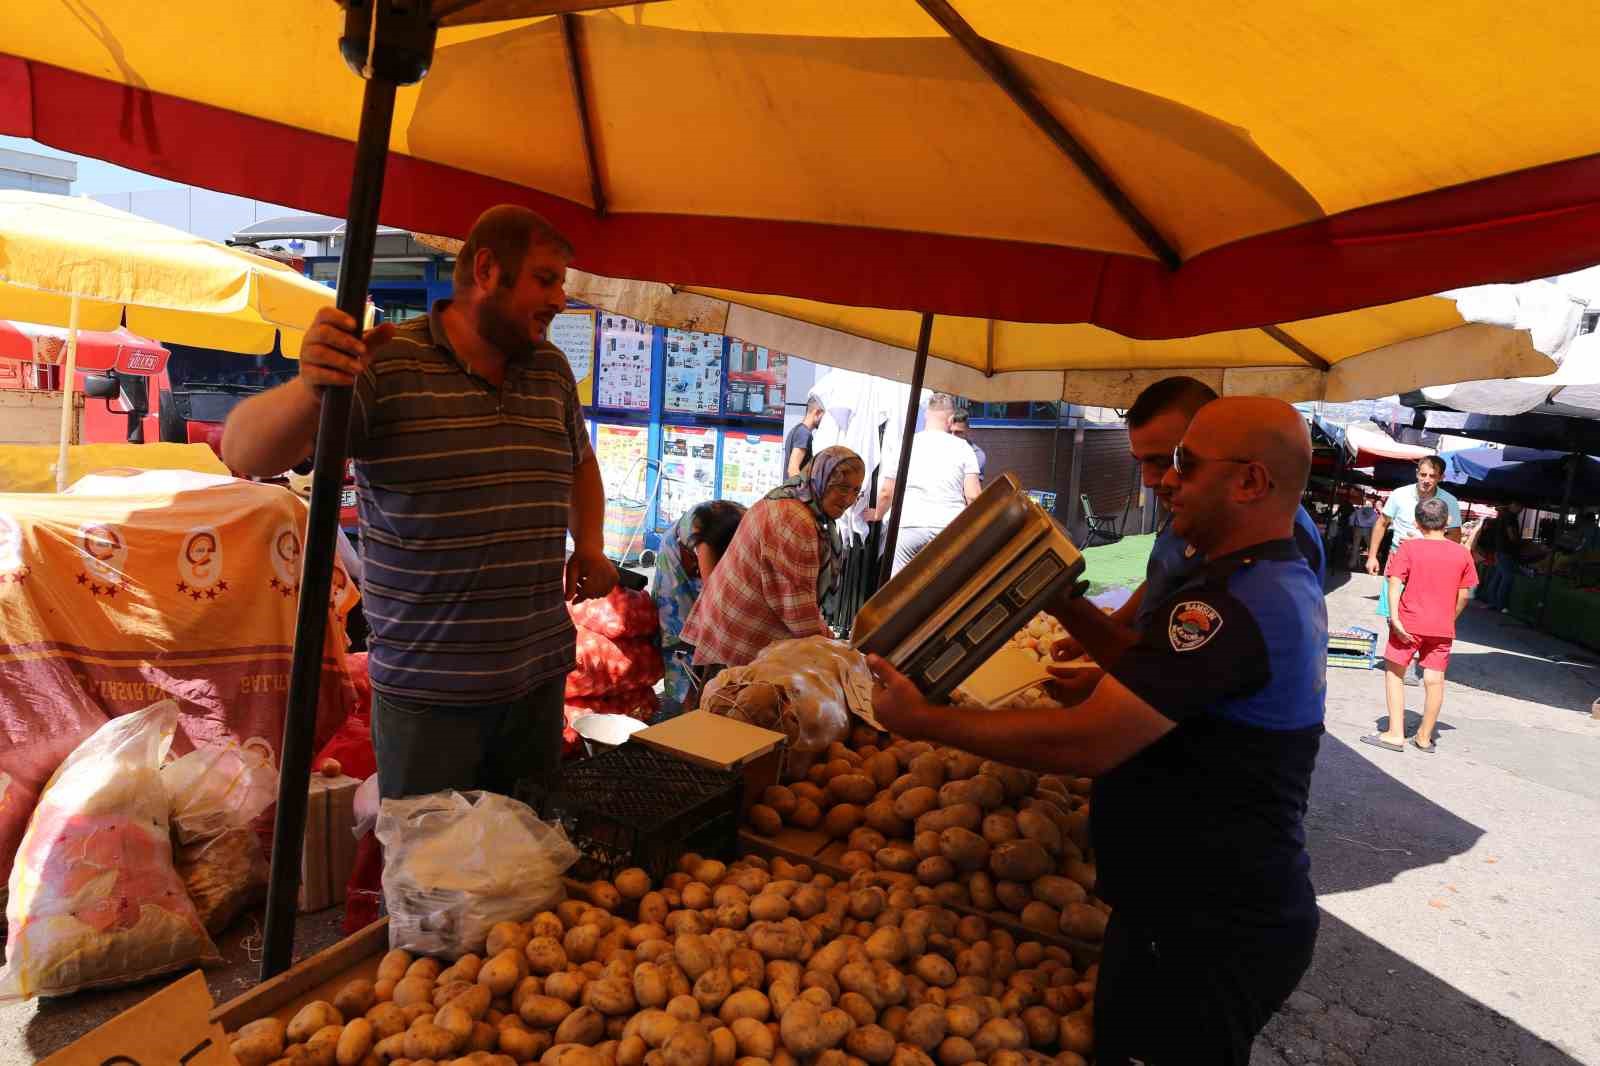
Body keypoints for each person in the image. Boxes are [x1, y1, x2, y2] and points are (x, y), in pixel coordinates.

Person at [869, 396, 1325, 1066]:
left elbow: (1085, 744)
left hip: (1209, 928)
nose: (1166, 481)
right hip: (1189, 913)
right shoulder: (1255, 580)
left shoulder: (1231, 607)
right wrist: (1063, 601)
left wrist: (925, 720)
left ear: (1251, 482)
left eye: (1185, 465)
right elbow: (1163, 681)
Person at [222, 204, 617, 800]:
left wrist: (589, 543)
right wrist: (309, 384)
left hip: (536, 676)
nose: (560, 299)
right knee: (432, 878)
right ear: (487, 270)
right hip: (431, 698)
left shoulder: (551, 371)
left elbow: (579, 463)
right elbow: (247, 452)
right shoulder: (388, 364)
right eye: (546, 278)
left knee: (524, 866)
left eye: (561, 281)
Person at [1049, 376, 1325, 672]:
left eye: (1173, 461)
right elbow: (1166, 575)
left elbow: (1185, 671)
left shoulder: (1273, 544)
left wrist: (1068, 606)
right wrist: (1107, 626)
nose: (1152, 480)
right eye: (1140, 461)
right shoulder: (1197, 507)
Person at [682, 446, 865, 672]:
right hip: (740, 636)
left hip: (731, 624)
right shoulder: (796, 520)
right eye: (842, 487)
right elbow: (798, 611)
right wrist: (831, 647)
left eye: (856, 491)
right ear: (821, 479)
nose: (849, 498)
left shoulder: (794, 499)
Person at [1362, 498, 1477, 754]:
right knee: (1435, 680)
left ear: (1416, 522)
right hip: (1441, 627)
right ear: (1448, 522)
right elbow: (1465, 595)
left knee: (1395, 674)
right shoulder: (1462, 553)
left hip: (1408, 623)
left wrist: (1395, 618)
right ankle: (1424, 737)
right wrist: (1450, 618)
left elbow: (1394, 584)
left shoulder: (1408, 548)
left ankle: (1395, 733)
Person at [654, 499, 746, 717]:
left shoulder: (747, 525)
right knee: (679, 635)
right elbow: (713, 593)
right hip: (676, 562)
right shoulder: (706, 539)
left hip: (708, 549)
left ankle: (710, 696)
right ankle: (687, 708)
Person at [875, 393, 981, 574]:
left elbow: (887, 491)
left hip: (909, 526)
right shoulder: (964, 448)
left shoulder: (906, 444)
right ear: (951, 419)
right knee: (944, 589)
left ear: (926, 416)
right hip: (948, 527)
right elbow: (973, 495)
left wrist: (877, 514)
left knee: (898, 591)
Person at [1366, 455, 1460, 613]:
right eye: (1423, 475)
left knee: (1418, 613)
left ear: (1441, 477)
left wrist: (1425, 542)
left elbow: (1455, 537)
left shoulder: (1449, 501)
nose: (1427, 480)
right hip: (1398, 557)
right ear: (1417, 473)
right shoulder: (1399, 494)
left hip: (1429, 564)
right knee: (1391, 612)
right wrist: (1372, 556)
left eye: (1432, 476)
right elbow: (1381, 523)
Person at [1479, 502, 1524, 612]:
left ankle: (1492, 602)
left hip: (1500, 550)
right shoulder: (1510, 517)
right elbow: (1511, 535)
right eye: (1520, 506)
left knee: (1498, 576)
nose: (1521, 509)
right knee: (1507, 577)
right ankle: (1501, 604)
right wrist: (1518, 542)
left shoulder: (1503, 516)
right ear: (1513, 505)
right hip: (1506, 551)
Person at [785, 396, 825, 477]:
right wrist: (804, 488)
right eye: (824, 416)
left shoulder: (796, 430)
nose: (824, 420)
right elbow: (792, 470)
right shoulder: (804, 433)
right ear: (817, 413)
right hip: (795, 489)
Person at [949, 408, 987, 480]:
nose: (952, 436)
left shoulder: (977, 455)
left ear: (968, 431)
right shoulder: (941, 448)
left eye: (958, 432)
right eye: (950, 431)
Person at [1348, 494, 1379, 570]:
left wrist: (1352, 527)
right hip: (1369, 530)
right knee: (1370, 548)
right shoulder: (1374, 513)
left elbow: (1351, 520)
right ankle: (1370, 565)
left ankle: (1352, 564)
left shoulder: (1358, 511)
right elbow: (1376, 523)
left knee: (1355, 547)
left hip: (1358, 529)